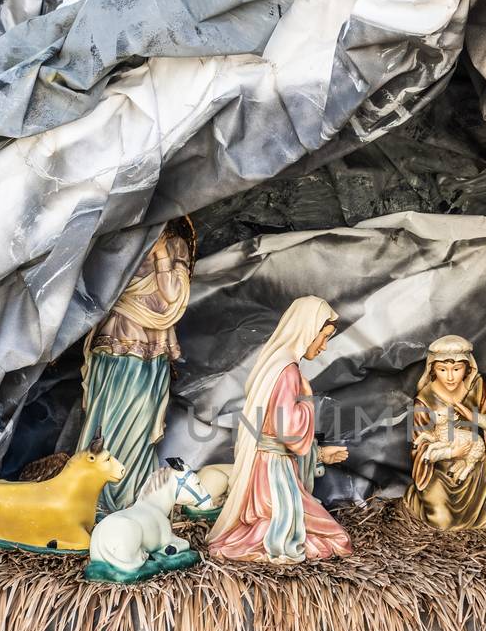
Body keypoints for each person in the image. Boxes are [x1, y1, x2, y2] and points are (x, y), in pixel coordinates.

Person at [207, 296, 353, 564]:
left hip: (263, 466)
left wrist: (318, 453)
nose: (323, 347)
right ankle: (270, 534)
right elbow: (291, 434)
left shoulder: (274, 362)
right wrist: (308, 401)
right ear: (306, 330)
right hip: (275, 474)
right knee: (336, 538)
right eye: (323, 337)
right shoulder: (288, 371)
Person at [74, 217, 194, 514]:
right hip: (115, 338)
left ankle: (130, 497)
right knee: (106, 416)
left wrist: (161, 252)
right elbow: (98, 285)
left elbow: (173, 297)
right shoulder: (123, 237)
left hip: (150, 348)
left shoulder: (176, 244)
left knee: (140, 419)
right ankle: (90, 494)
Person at [403, 335, 486, 530]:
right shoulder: (425, 399)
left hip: (473, 464)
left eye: (456, 369)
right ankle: (420, 501)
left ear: (467, 368)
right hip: (439, 471)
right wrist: (452, 454)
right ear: (433, 369)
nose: (450, 377)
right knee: (442, 522)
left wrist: (474, 418)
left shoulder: (476, 387)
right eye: (442, 370)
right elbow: (419, 449)